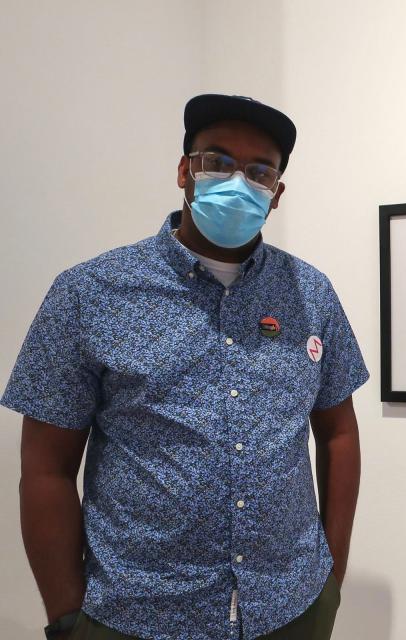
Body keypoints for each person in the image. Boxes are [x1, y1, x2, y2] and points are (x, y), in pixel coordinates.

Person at [1, 94, 369, 640]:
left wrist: (331, 576)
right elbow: (46, 468)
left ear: (276, 194)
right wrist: (66, 617)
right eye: (217, 161)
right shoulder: (89, 293)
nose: (237, 181)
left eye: (259, 171)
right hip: (136, 615)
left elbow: (338, 433)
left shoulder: (310, 294)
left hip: (291, 606)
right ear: (184, 171)